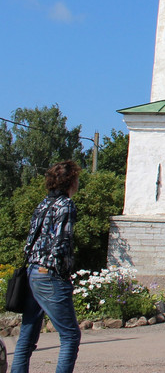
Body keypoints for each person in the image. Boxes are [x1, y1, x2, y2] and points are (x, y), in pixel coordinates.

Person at [10, 160, 82, 373]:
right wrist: (64, 274)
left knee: (28, 334)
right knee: (70, 335)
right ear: (70, 181)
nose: (78, 183)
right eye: (76, 179)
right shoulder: (66, 205)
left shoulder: (43, 204)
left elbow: (31, 239)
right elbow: (63, 242)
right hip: (50, 274)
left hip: (33, 270)